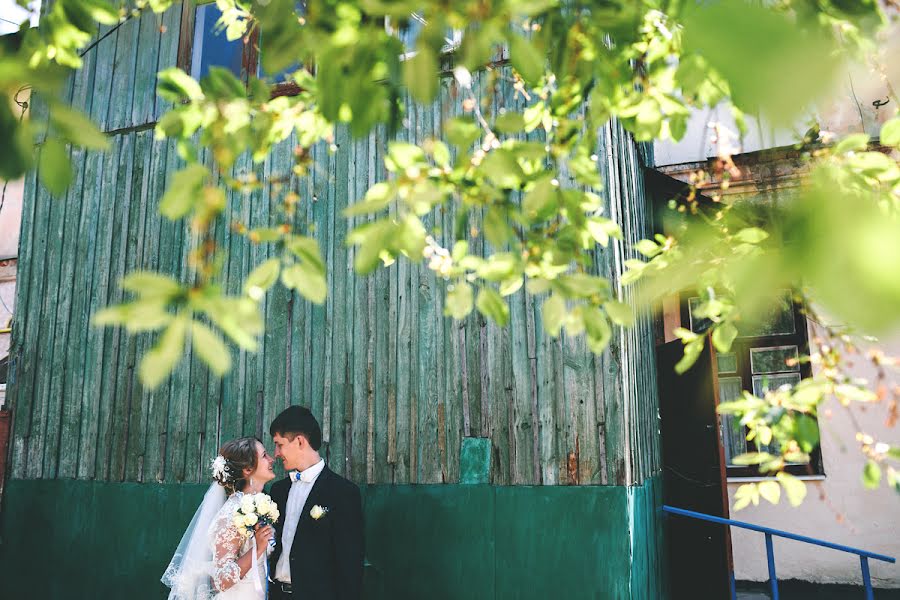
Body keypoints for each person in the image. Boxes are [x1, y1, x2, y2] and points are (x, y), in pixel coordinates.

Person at [268, 406, 364, 600]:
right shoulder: (278, 491)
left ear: (300, 441)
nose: (276, 453)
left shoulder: (343, 493)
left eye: (279, 444)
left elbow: (350, 565)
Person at [162, 437, 277, 599]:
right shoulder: (232, 513)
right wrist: (257, 549)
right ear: (248, 469)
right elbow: (221, 581)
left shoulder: (260, 506)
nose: (271, 459)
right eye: (264, 455)